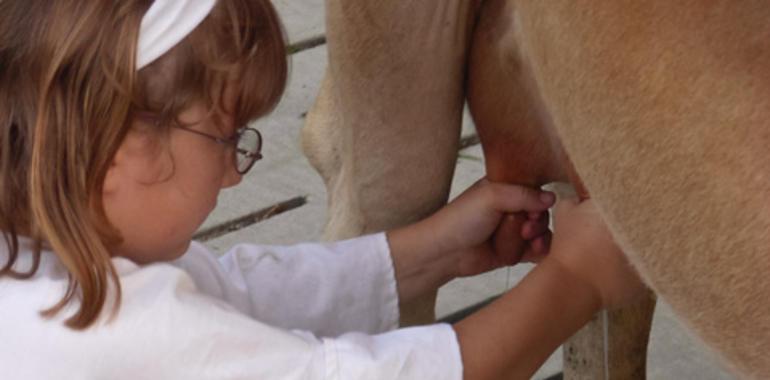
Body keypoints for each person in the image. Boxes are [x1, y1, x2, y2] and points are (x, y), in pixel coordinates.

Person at [0, 0, 646, 379]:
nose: (233, 171)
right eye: (226, 138)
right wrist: (578, 279)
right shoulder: (106, 328)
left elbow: (237, 293)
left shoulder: (39, 261)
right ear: (118, 149)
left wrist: (431, 251)